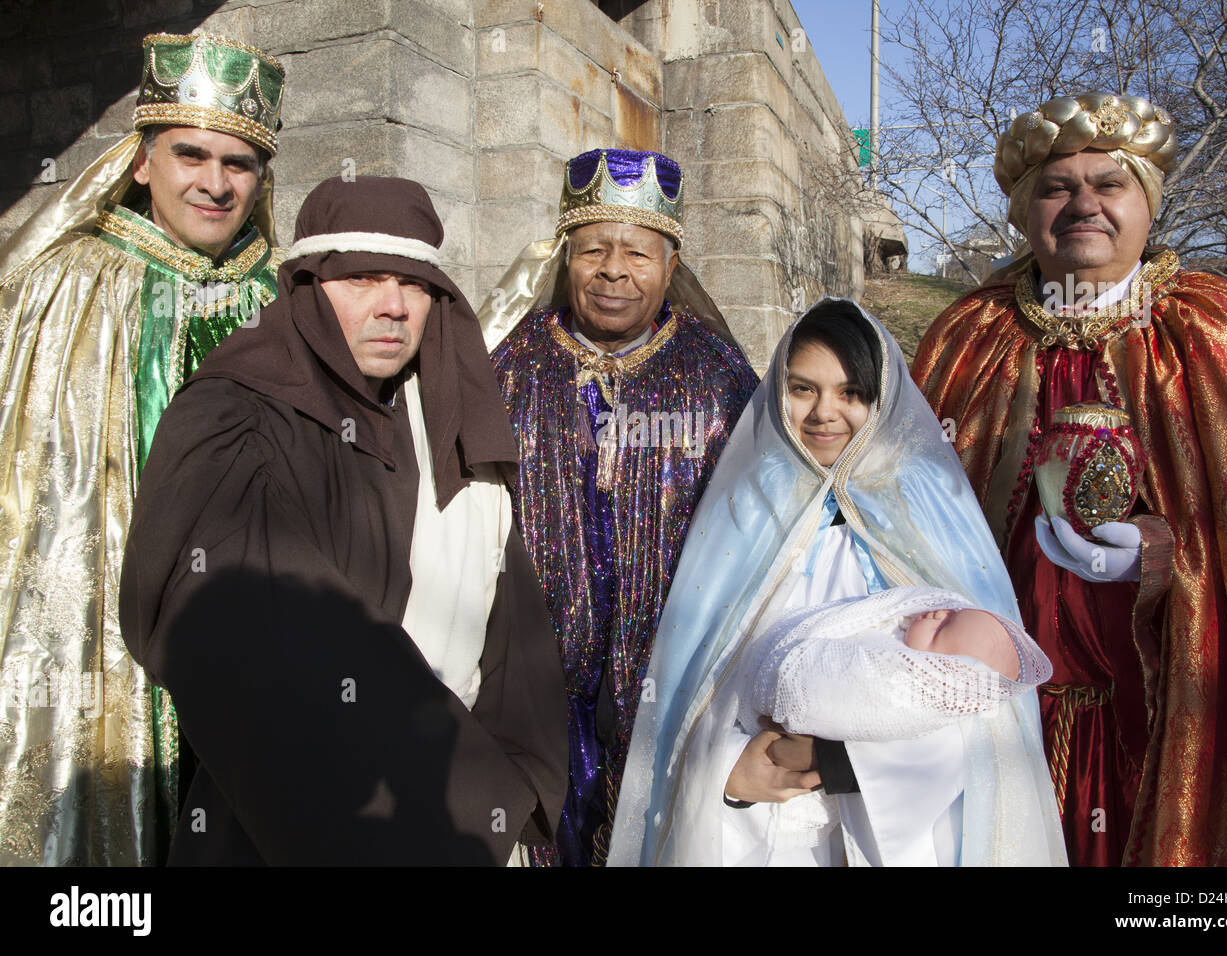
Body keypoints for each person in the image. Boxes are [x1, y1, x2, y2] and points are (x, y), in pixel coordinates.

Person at [117, 176, 567, 865]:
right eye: (362, 279)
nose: (393, 307)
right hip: (292, 824)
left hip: (467, 820)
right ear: (307, 290)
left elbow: (514, 624)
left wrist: (513, 785)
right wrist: (467, 790)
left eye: (414, 285)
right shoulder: (233, 418)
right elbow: (259, 631)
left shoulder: (449, 425)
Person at [911, 92, 1227, 865]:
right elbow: (905, 517)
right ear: (1026, 212)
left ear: (1146, 204)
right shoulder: (967, 338)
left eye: (1109, 184)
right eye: (1058, 187)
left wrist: (1162, 552)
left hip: (1166, 717)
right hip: (997, 714)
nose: (1083, 203)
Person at [608, 297, 1065, 867]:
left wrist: (839, 761)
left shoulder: (928, 505)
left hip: (912, 835)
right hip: (767, 835)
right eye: (803, 388)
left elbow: (985, 703)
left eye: (851, 392)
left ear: (882, 399)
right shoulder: (745, 508)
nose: (825, 412)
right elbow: (696, 687)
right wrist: (725, 771)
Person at [0, 32, 287, 865]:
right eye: (190, 154)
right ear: (139, 162)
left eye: (240, 164)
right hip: (100, 637)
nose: (215, 182)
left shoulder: (285, 300)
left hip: (256, 630)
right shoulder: (70, 282)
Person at [480, 148, 759, 865]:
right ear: (564, 258)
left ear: (670, 267)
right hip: (535, 681)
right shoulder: (511, 365)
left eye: (638, 252)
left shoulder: (718, 374)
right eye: (594, 250)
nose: (613, 270)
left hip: (673, 678)